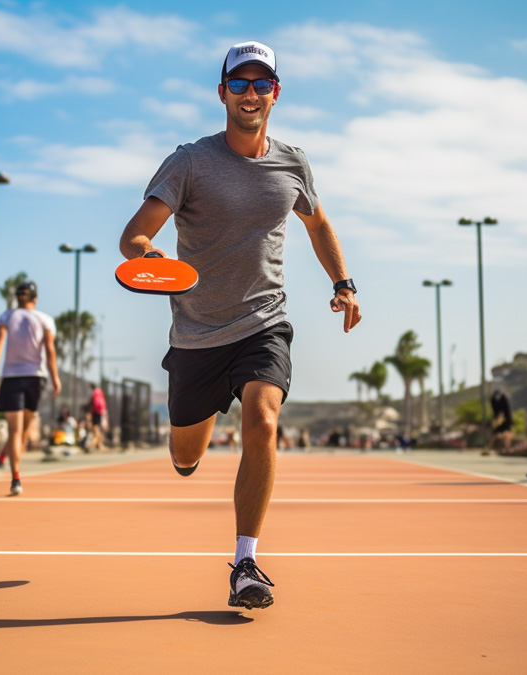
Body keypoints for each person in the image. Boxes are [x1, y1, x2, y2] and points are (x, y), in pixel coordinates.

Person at [119, 40, 362, 610]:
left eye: (261, 84)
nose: (250, 94)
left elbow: (318, 222)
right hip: (197, 333)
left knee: (262, 418)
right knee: (185, 456)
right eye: (239, 83)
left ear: (275, 92)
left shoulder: (293, 162)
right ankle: (189, 451)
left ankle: (245, 562)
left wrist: (343, 283)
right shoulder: (190, 161)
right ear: (221, 91)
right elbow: (135, 234)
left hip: (264, 321)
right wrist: (146, 255)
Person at [0, 280, 60, 496]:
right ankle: (13, 474)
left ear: (18, 298)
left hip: (11, 378)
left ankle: (13, 475)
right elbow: (49, 350)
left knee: (17, 431)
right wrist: (55, 377)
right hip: (34, 378)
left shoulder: (7, 316)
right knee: (23, 430)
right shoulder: (44, 319)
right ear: (35, 298)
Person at [88, 382, 108, 452]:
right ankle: (96, 445)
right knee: (98, 430)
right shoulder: (99, 392)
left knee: (97, 430)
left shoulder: (95, 392)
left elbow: (96, 404)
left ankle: (94, 444)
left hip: (97, 413)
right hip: (100, 413)